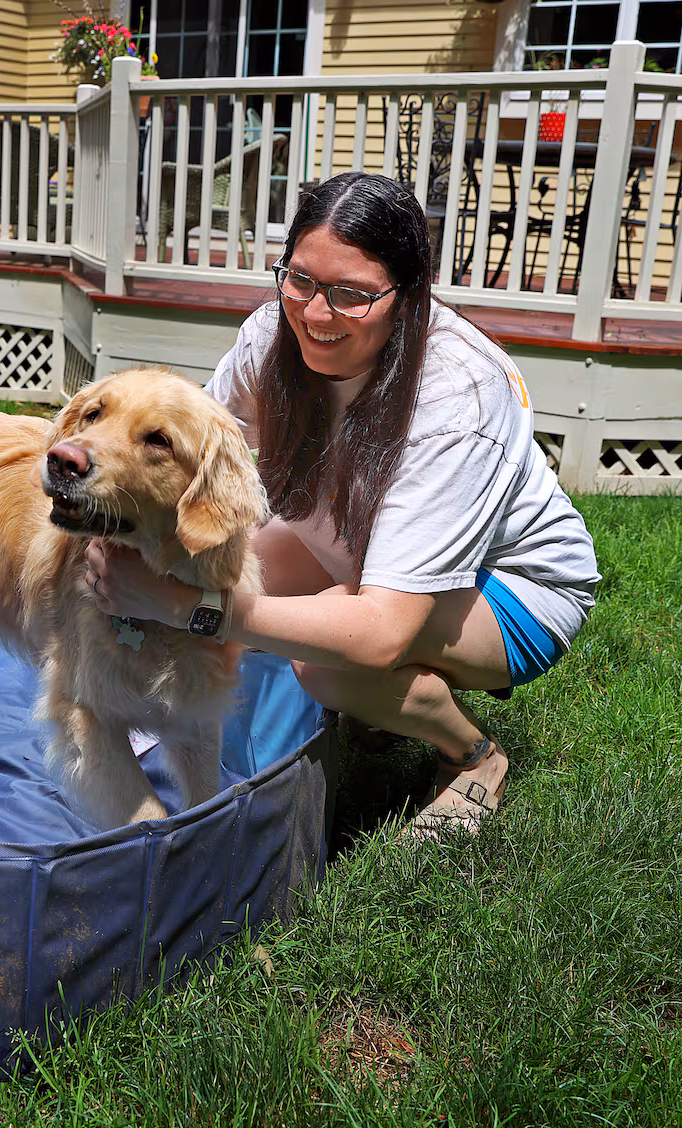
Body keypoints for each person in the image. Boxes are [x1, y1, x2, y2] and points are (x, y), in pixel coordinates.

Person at [85, 171, 600, 836]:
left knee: (329, 660)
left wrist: (186, 609)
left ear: (408, 296)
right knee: (207, 562)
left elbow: (381, 632)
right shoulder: (273, 331)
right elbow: (196, 461)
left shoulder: (458, 397)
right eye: (299, 280)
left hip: (514, 585)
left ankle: (473, 756)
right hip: (353, 542)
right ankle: (376, 710)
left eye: (353, 295)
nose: (317, 314)